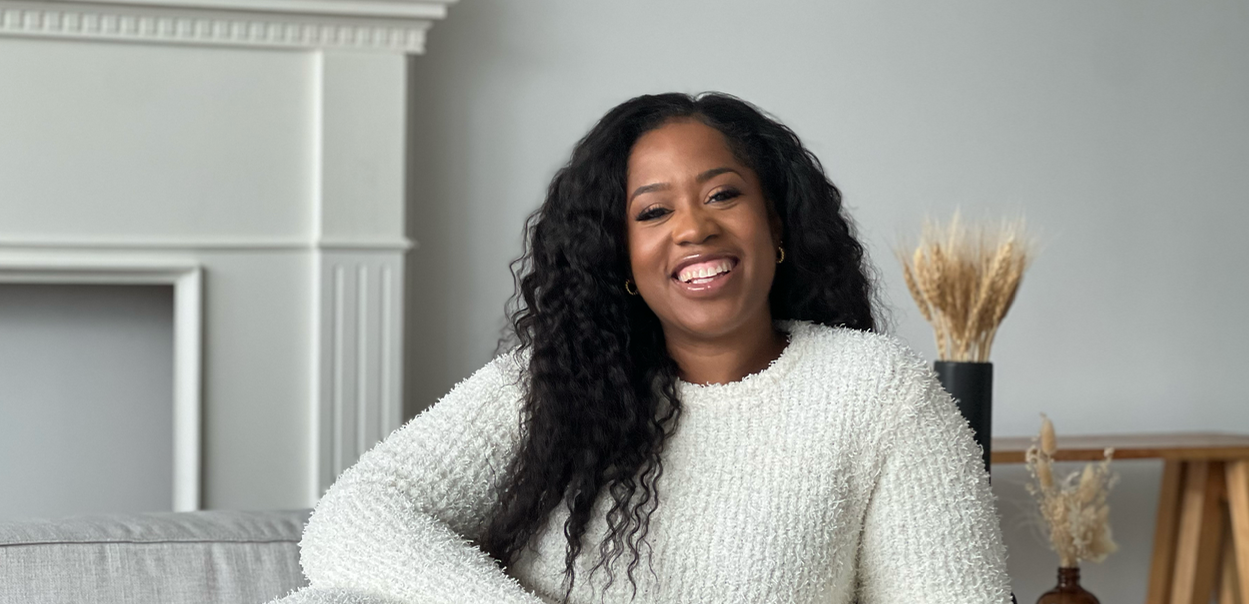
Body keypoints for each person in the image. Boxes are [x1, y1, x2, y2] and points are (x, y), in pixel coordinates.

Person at [272, 92, 1013, 604]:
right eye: (653, 211)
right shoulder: (552, 382)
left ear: (778, 225)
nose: (693, 228)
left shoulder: (878, 391)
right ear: (619, 260)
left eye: (723, 194)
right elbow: (356, 515)